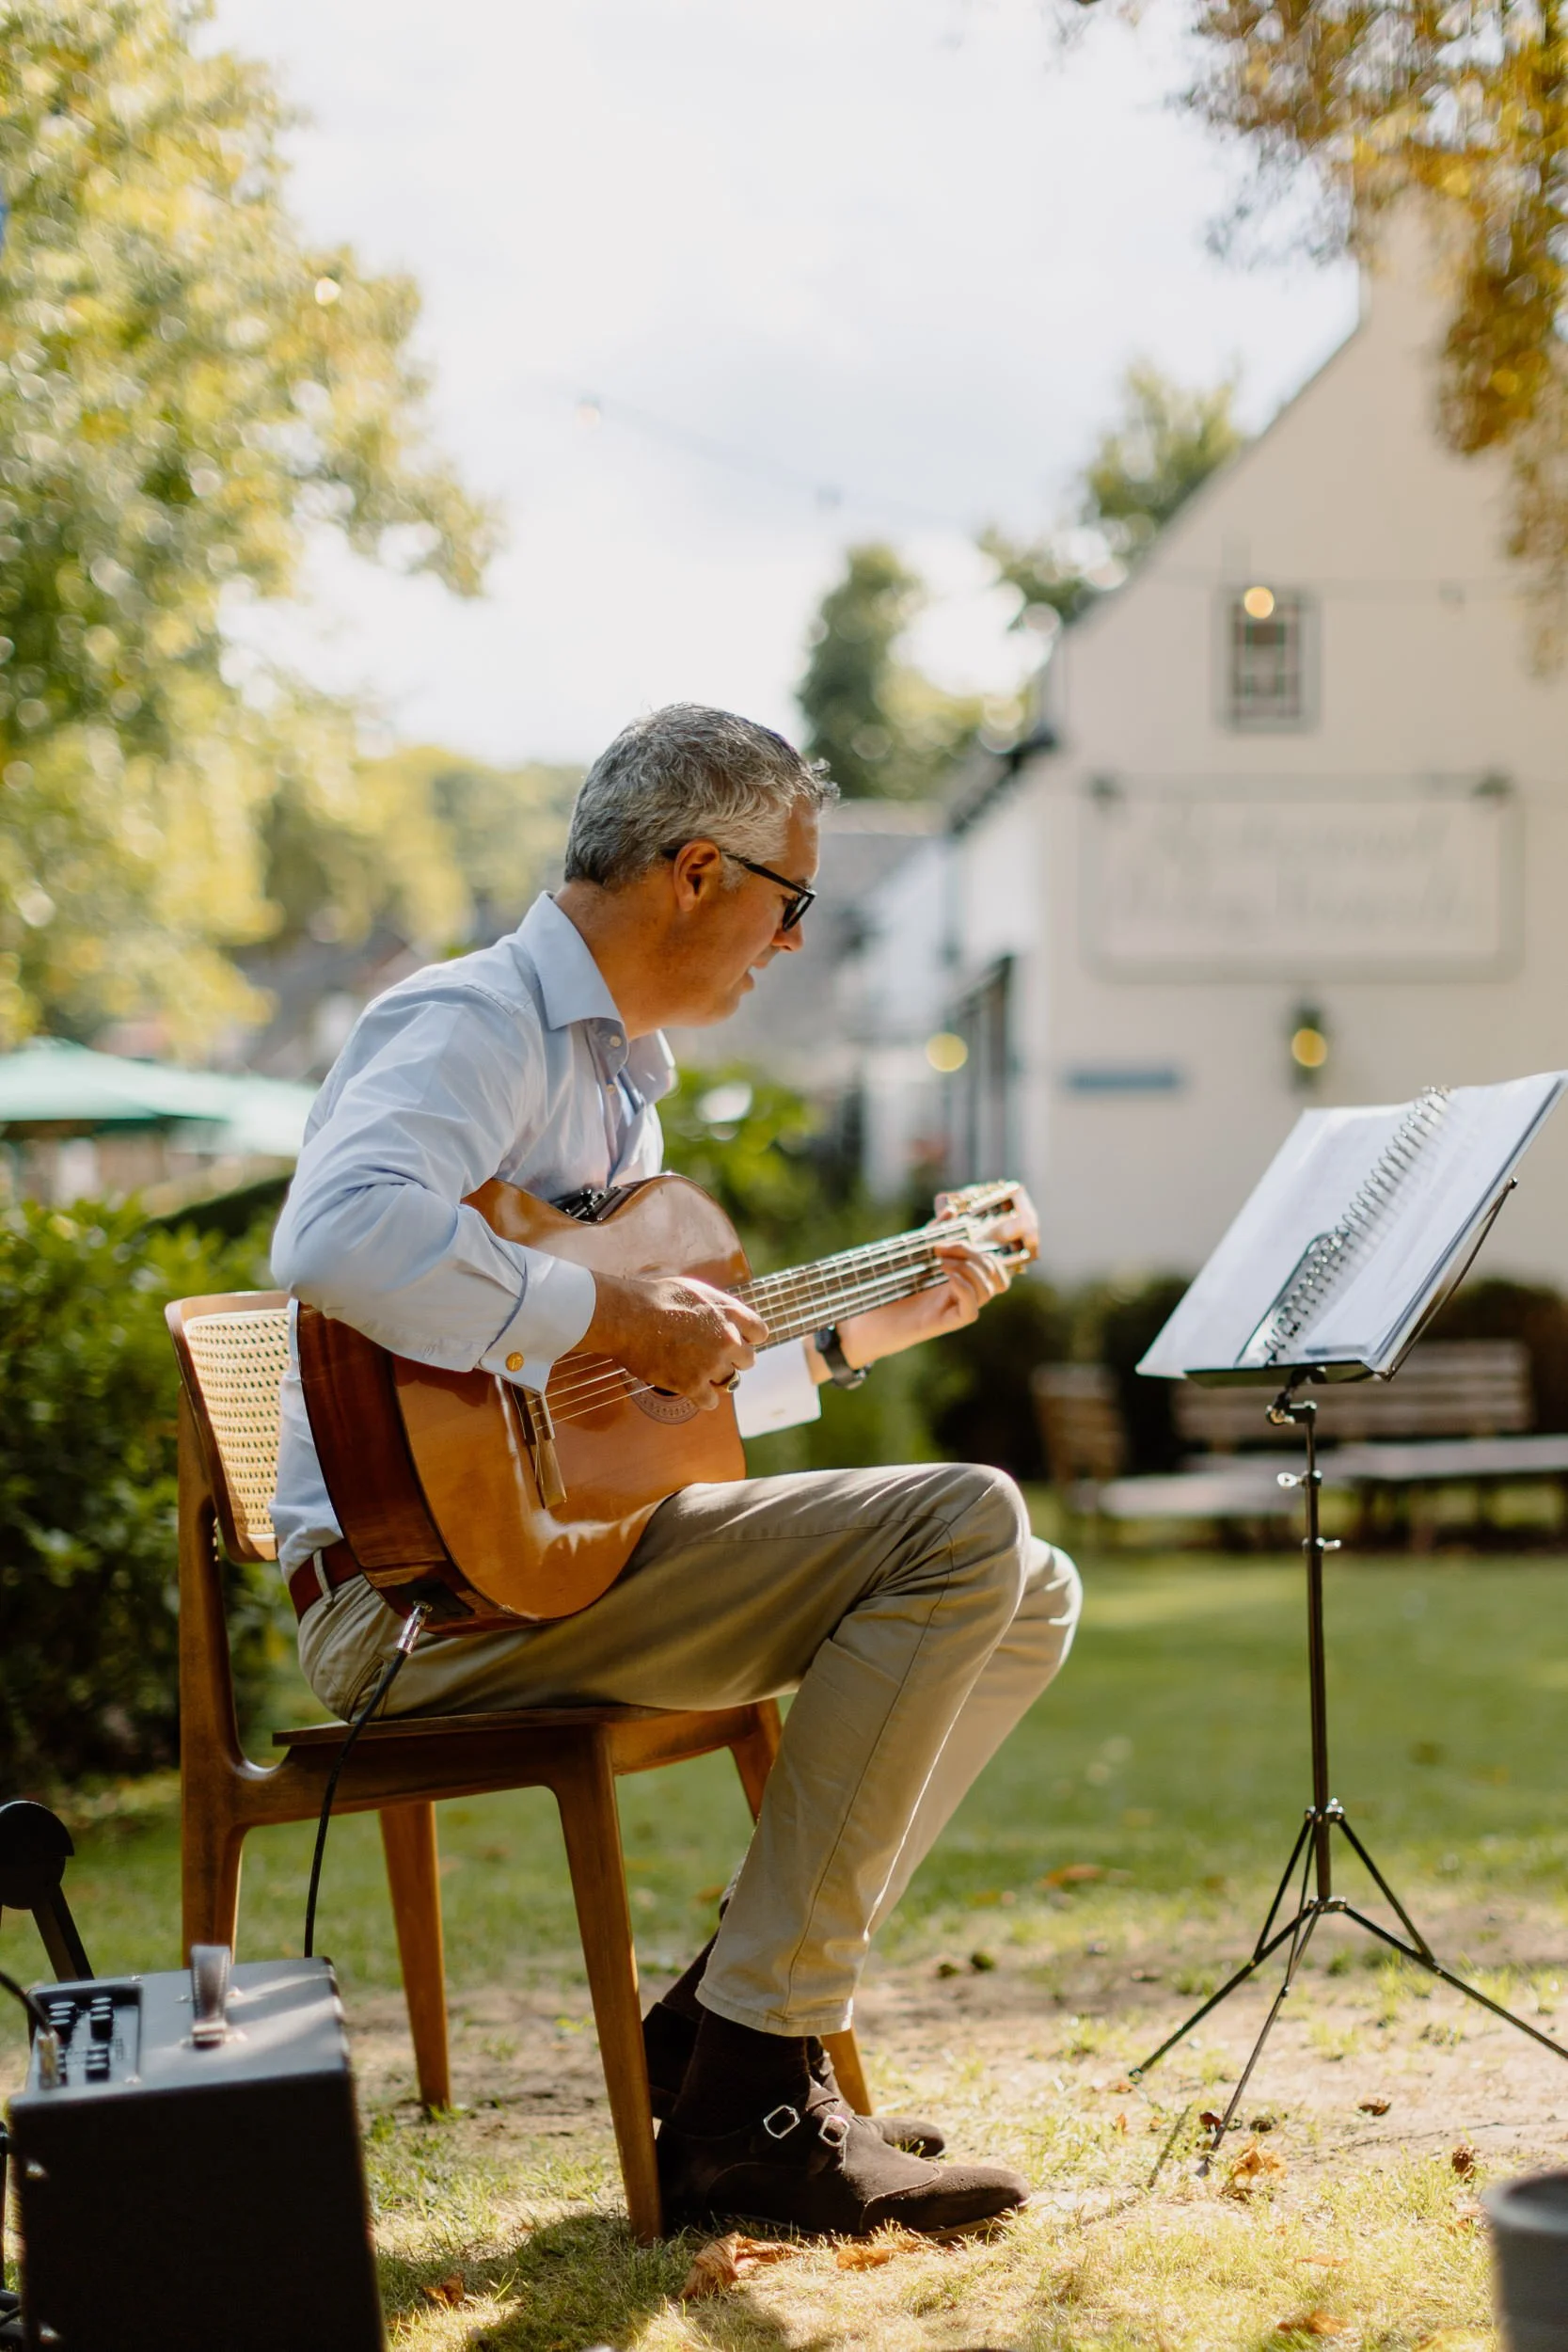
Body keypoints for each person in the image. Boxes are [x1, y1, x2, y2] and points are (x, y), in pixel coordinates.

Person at [270, 703, 1081, 2239]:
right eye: (794, 901)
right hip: (413, 1606)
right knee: (969, 1521)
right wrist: (611, 1303)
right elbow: (336, 1237)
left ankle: (725, 2032)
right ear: (697, 872)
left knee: (1028, 1589)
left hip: (541, 1559)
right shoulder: (473, 1022)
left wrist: (857, 1340)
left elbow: (618, 1419)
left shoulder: (621, 1082)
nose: (793, 942)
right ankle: (755, 2099)